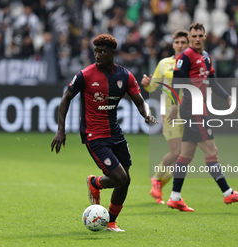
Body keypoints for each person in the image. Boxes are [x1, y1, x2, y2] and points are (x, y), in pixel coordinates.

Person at [51, 34, 158, 231]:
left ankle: (111, 222)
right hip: (94, 135)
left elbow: (140, 101)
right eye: (95, 52)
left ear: (112, 53)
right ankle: (94, 182)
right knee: (119, 177)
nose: (97, 55)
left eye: (102, 52)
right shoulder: (85, 74)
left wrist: (147, 114)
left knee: (126, 179)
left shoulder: (124, 76)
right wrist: (61, 130)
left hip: (115, 133)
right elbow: (66, 98)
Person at [167, 22, 238, 212]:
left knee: (186, 156)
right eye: (194, 36)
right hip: (193, 109)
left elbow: (212, 83)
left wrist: (228, 97)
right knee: (211, 152)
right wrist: (174, 106)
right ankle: (228, 193)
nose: (197, 39)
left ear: (205, 37)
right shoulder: (186, 56)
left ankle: (174, 197)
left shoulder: (206, 57)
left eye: (200, 35)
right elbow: (175, 82)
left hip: (199, 109)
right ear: (189, 38)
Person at [141, 30, 189, 204]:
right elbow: (152, 87)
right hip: (169, 111)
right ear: (173, 44)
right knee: (176, 152)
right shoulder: (164, 64)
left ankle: (158, 185)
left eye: (184, 42)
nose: (180, 45)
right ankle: (156, 180)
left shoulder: (192, 63)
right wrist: (147, 84)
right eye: (177, 42)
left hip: (189, 112)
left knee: (184, 157)